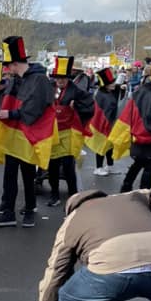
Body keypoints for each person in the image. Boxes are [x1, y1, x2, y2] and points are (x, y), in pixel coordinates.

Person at [0, 36, 56, 228]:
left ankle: (29, 208)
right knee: (10, 172)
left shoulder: (40, 80)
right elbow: (8, 101)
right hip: (15, 134)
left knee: (27, 173)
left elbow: (34, 110)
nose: (6, 70)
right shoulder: (18, 80)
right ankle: (9, 210)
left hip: (30, 134)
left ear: (15, 63)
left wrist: (7, 113)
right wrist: (1, 115)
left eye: (8, 66)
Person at [110, 62, 151, 192]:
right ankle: (144, 192)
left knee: (138, 163)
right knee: (149, 165)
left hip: (138, 133)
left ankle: (126, 188)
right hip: (145, 135)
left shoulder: (145, 90)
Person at [45, 56, 94, 207]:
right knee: (52, 167)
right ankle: (54, 194)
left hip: (68, 133)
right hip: (53, 133)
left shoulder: (76, 90)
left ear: (68, 77)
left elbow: (90, 106)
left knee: (68, 166)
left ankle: (73, 195)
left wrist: (77, 106)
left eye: (63, 77)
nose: (60, 80)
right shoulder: (50, 88)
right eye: (58, 77)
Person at [85, 67, 119, 175]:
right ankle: (98, 167)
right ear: (106, 85)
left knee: (109, 146)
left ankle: (110, 166)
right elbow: (104, 113)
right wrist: (109, 125)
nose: (114, 84)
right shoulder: (103, 95)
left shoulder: (105, 93)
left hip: (108, 124)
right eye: (112, 82)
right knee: (101, 145)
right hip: (103, 125)